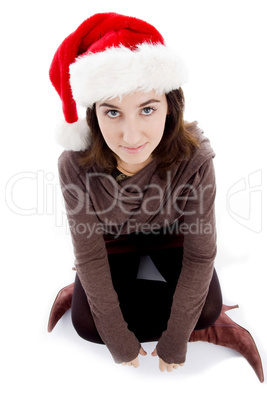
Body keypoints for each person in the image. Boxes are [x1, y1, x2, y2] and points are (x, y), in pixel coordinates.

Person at [47, 12, 264, 381]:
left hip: (170, 237)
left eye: (147, 108)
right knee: (87, 324)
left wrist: (178, 337)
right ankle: (83, 294)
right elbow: (90, 254)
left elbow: (200, 254)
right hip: (112, 242)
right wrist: (118, 339)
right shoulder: (75, 165)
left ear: (170, 106)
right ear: (93, 114)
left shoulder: (195, 159)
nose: (131, 136)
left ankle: (214, 325)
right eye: (112, 111)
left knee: (207, 308)